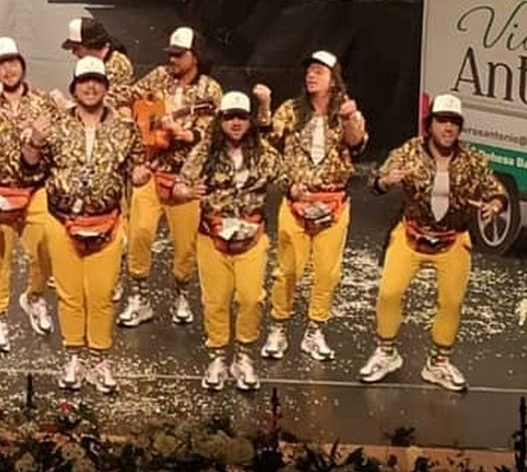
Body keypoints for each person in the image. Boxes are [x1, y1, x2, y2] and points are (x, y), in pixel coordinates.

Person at [361, 93, 506, 391]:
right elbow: (376, 180)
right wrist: (385, 182)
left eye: (454, 123)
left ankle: (439, 363)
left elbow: (496, 190)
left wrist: (495, 204)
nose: (448, 128)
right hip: (412, 233)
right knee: (389, 292)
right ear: (430, 125)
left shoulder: (472, 160)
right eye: (442, 121)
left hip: (452, 238)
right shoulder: (410, 152)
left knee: (451, 302)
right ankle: (386, 353)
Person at [22, 56, 147, 394]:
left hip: (106, 223)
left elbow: (137, 167)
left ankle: (100, 358)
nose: (90, 87)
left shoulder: (125, 130)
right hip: (62, 223)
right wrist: (34, 140)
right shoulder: (56, 126)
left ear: (106, 88)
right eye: (83, 82)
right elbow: (30, 167)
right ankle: (74, 356)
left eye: (97, 81)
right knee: (69, 295)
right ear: (73, 88)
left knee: (102, 294)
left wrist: (139, 175)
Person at [252, 50, 368, 362]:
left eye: (319, 71)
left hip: (333, 204)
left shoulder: (346, 111)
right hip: (296, 202)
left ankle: (315, 330)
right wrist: (264, 105)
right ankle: (278, 326)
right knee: (287, 270)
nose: (311, 75)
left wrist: (347, 118)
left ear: (333, 79)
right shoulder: (291, 110)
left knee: (327, 273)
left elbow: (357, 143)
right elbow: (267, 138)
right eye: (309, 71)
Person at [174, 90, 281, 392]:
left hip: (252, 236)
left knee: (250, 298)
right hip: (213, 236)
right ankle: (219, 357)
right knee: (215, 300)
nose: (235, 123)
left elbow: (287, 177)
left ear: (250, 121)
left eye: (241, 117)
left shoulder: (265, 154)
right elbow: (181, 185)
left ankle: (243, 356)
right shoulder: (205, 151)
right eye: (230, 116)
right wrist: (185, 192)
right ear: (220, 120)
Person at [123, 27, 223, 328]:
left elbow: (208, 132)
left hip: (186, 177)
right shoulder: (158, 76)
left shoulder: (209, 91)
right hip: (152, 170)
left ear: (196, 56)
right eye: (171, 55)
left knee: (185, 246)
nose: (173, 60)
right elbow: (131, 97)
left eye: (179, 55)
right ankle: (139, 296)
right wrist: (133, 116)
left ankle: (180, 293)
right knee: (139, 233)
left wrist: (183, 132)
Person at [0, 37, 59, 351]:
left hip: (34, 190)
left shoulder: (43, 101)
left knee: (46, 245)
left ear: (22, 63)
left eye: (13, 62)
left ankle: (34, 297)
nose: (8, 70)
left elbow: (60, 140)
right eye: (0, 65)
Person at [60, 17, 137, 111]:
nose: (74, 53)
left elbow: (105, 105)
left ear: (90, 46)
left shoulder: (118, 66)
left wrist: (67, 105)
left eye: (76, 48)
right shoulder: (89, 63)